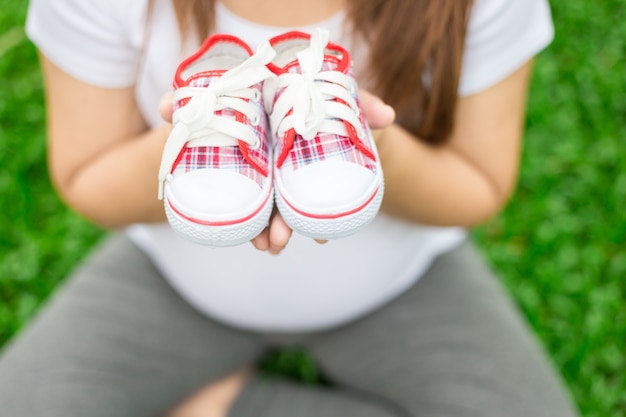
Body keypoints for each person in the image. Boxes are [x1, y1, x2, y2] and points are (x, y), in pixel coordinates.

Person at [0, 0, 580, 416]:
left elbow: (478, 186)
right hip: (177, 281)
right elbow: (86, 178)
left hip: (400, 284)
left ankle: (222, 406)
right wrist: (203, 127)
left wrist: (380, 149)